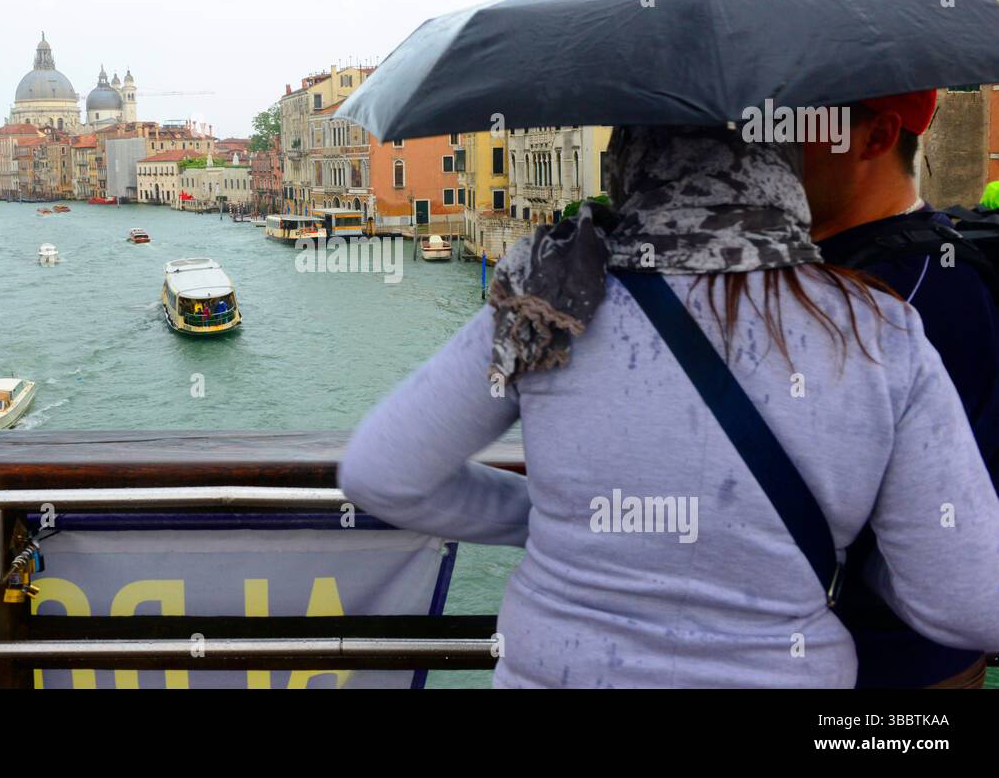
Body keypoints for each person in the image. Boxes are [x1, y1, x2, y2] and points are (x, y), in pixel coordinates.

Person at [339, 124, 999, 688]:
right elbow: (970, 602)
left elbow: (381, 471)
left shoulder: (549, 290)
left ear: (627, 159)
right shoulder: (873, 325)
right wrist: (840, 550)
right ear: (780, 163)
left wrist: (546, 517)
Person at [804, 90, 999, 688]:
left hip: (895, 662)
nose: (767, 144)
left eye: (795, 127)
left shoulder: (919, 293)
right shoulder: (854, 271)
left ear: (877, 136)